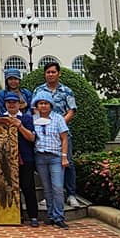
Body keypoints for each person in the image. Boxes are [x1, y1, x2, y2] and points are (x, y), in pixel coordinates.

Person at [33, 61, 84, 209]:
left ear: (59, 73)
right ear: (45, 74)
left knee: (67, 162)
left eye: (53, 72)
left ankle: (71, 194)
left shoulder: (66, 91)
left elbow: (71, 110)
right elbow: (35, 110)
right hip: (44, 134)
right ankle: (49, 196)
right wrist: (45, 124)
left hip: (62, 132)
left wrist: (58, 124)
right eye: (48, 72)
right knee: (45, 165)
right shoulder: (39, 90)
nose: (50, 74)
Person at [30, 93, 71, 229]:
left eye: (46, 103)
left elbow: (64, 138)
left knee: (58, 187)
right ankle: (51, 214)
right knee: (47, 188)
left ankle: (59, 216)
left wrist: (64, 156)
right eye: (40, 103)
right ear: (36, 106)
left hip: (56, 156)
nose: (43, 106)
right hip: (40, 157)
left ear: (50, 105)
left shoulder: (58, 119)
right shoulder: (33, 119)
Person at [5, 92, 39, 226]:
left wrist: (20, 126)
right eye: (9, 102)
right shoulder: (0, 118)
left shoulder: (27, 119)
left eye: (14, 102)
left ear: (19, 104)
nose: (11, 105)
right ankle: (15, 215)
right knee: (10, 188)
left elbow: (31, 138)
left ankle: (33, 216)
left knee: (28, 187)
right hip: (7, 160)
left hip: (25, 158)